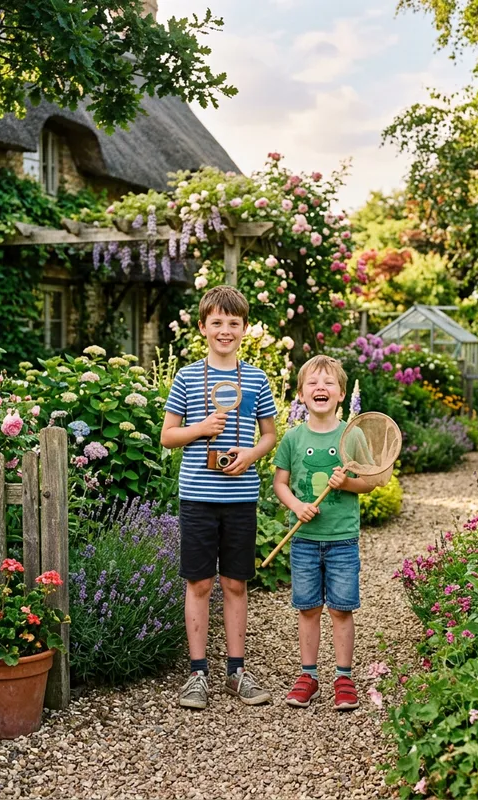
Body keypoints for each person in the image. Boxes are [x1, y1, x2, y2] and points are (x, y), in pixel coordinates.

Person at [161, 285, 277, 710]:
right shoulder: (188, 377)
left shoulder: (257, 379)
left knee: (234, 582)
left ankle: (236, 672)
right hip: (198, 495)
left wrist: (250, 455)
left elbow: (269, 436)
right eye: (217, 323)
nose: (225, 330)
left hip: (241, 496)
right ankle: (197, 675)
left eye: (233, 323)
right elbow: (168, 435)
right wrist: (202, 428)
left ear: (244, 329)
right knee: (199, 581)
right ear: (203, 327)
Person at [273, 355, 374, 711]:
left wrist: (348, 482)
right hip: (303, 541)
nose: (321, 388)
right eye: (313, 384)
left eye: (329, 383)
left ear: (342, 394)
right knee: (308, 609)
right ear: (300, 394)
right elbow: (280, 483)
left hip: (341, 540)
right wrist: (296, 506)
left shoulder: (353, 435)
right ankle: (308, 675)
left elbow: (370, 483)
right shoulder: (292, 438)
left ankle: (344, 677)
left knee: (342, 610)